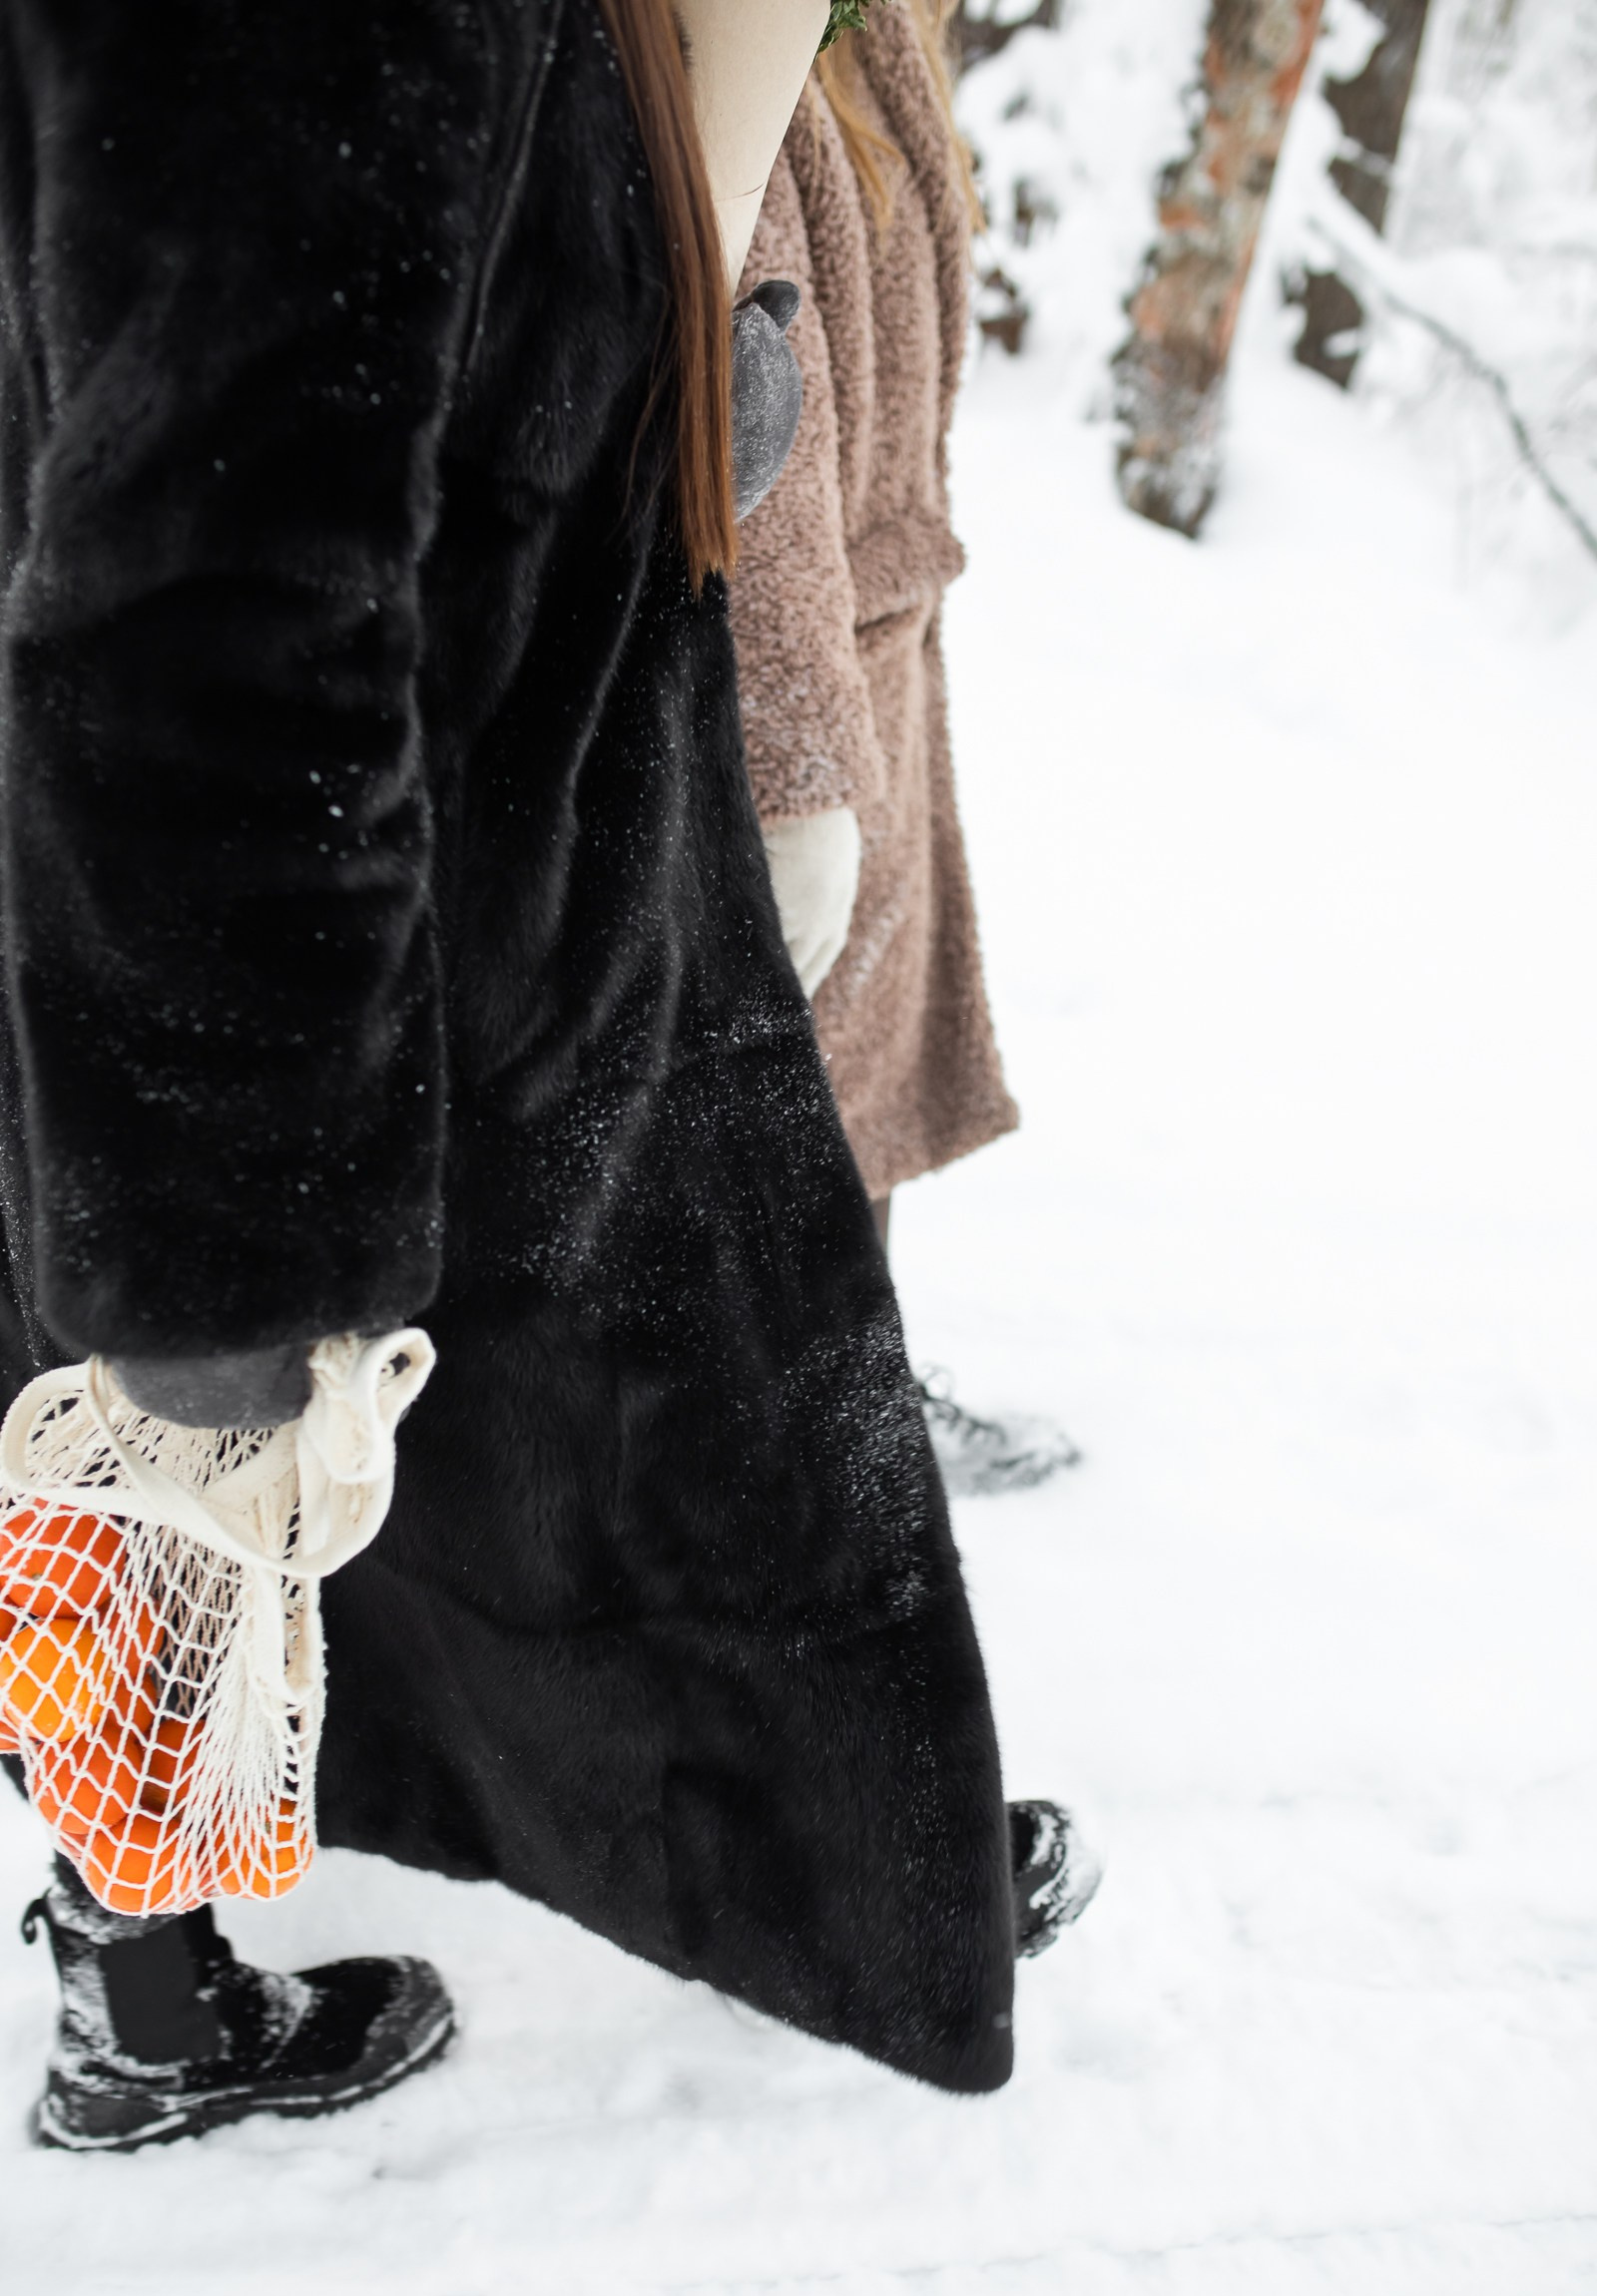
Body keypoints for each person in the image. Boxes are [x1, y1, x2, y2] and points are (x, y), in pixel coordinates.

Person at [0, 0, 1094, 2154]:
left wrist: (662, 375)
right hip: (355, 880)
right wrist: (219, 1229)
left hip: (393, 847)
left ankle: (820, 1851)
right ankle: (152, 1976)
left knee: (396, 1425)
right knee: (197, 1433)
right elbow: (208, 579)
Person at [731, 0, 1080, 1496]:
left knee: (853, 1092)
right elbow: (755, 394)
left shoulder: (883, 30)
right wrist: (801, 755)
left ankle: (849, 1419)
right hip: (793, 668)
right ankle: (780, 1475)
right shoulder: (754, 41)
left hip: (876, 641)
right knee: (769, 1098)